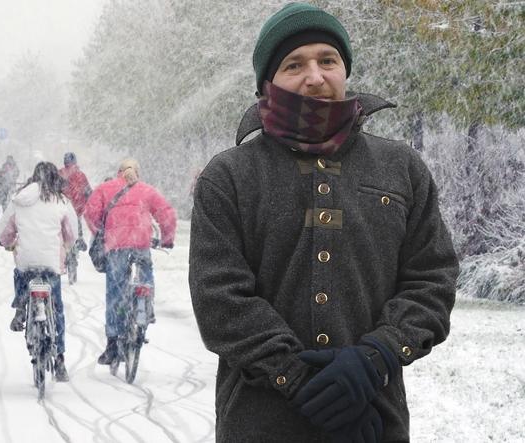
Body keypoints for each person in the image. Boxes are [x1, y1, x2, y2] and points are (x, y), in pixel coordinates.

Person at [188, 3, 459, 443]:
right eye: (295, 64)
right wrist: (296, 378)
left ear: (344, 71)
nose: (315, 76)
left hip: (374, 422)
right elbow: (220, 301)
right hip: (258, 426)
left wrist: (377, 356)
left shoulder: (401, 167)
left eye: (327, 60)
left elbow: (432, 280)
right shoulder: (230, 176)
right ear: (267, 82)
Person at [84, 158, 177, 365]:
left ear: (118, 172)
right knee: (145, 274)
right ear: (137, 172)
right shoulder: (147, 191)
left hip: (116, 247)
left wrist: (101, 230)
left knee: (116, 293)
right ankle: (147, 303)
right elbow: (166, 212)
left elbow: (90, 213)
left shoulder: (105, 189)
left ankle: (112, 343)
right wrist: (167, 238)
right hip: (141, 244)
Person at [0, 161, 78, 382]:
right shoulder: (62, 201)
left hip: (27, 260)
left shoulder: (20, 200)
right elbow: (72, 234)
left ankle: (21, 307)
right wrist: (68, 245)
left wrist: (4, 241)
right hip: (51, 264)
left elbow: (5, 231)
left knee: (21, 272)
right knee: (57, 308)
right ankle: (59, 359)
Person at [59, 152, 92, 251]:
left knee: (60, 229)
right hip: (76, 209)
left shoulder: (59, 173)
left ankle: (62, 246)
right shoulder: (80, 175)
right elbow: (88, 192)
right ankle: (78, 241)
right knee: (77, 228)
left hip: (61, 208)